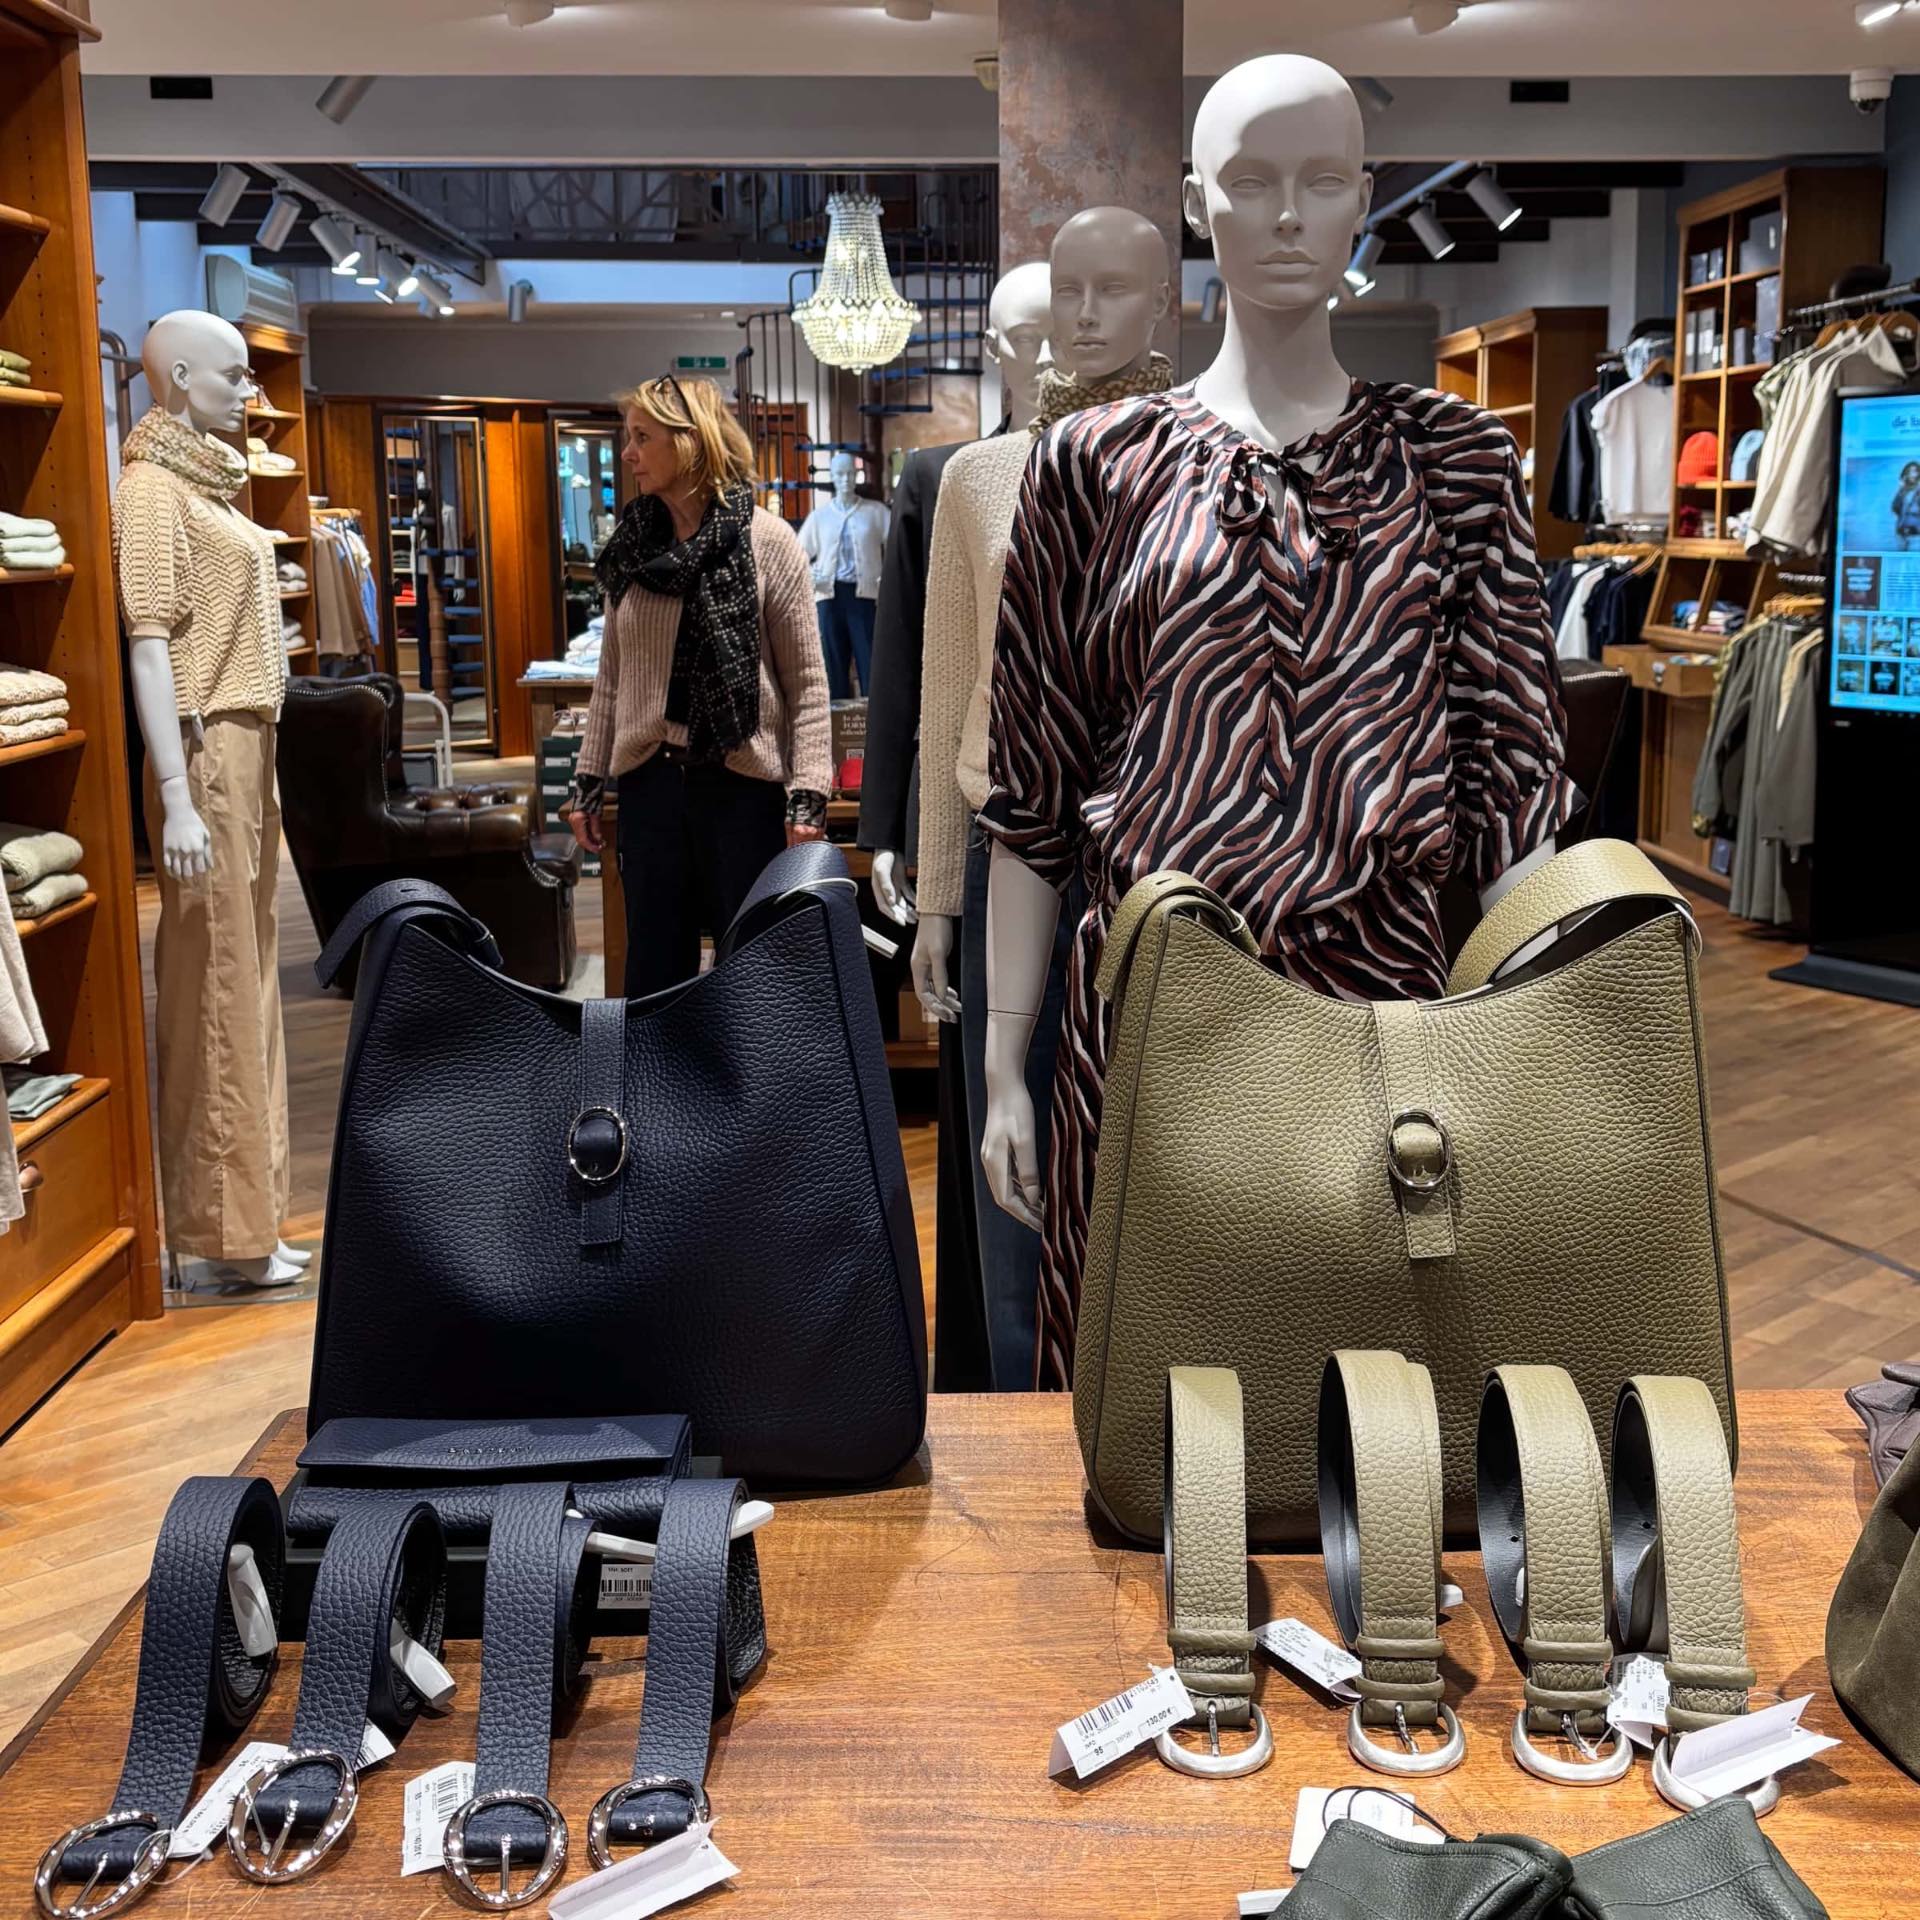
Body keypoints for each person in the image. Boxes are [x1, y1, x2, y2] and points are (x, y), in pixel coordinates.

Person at [568, 375, 832, 997]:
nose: (627, 453)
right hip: (650, 790)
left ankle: (747, 1068)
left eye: (642, 437)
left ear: (690, 443)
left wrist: (808, 795)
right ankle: (659, 1069)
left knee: (751, 975)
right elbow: (613, 677)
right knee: (654, 977)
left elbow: (806, 683)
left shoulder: (768, 542)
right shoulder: (632, 550)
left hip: (740, 791)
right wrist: (587, 782)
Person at [1892, 461, 1920, 551]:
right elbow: (1895, 508)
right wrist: (1901, 491)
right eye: (1909, 472)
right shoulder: (1902, 491)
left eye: (1915, 471)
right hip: (1901, 535)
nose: (1912, 474)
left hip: (1916, 536)